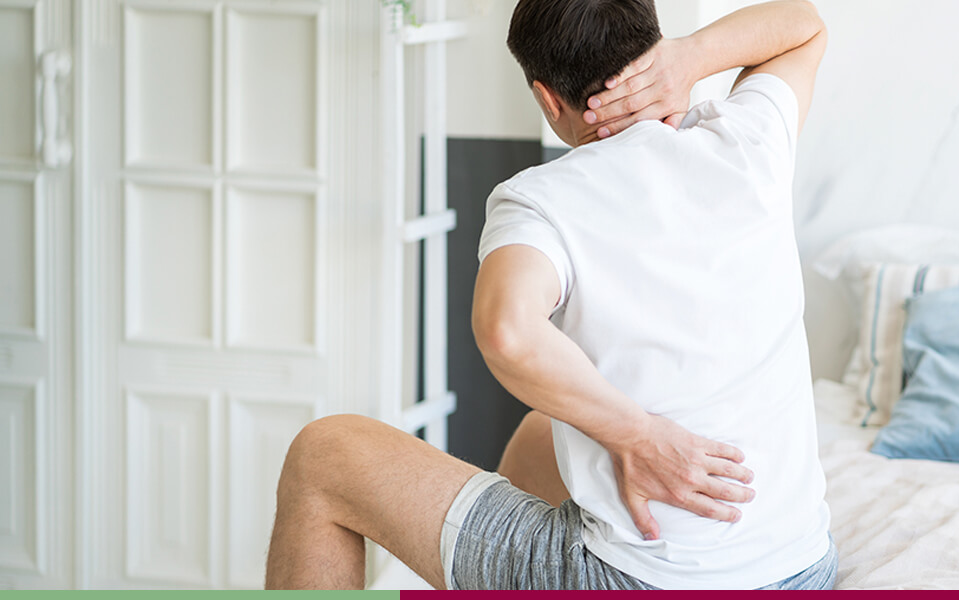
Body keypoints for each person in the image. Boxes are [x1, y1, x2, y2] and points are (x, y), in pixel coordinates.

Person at [265, 0, 830, 590]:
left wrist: (640, 437)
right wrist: (688, 59)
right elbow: (803, 27)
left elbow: (509, 332)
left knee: (323, 455)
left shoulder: (542, 199)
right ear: (653, 42)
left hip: (643, 580)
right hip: (802, 570)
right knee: (543, 431)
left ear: (548, 99)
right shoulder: (747, 141)